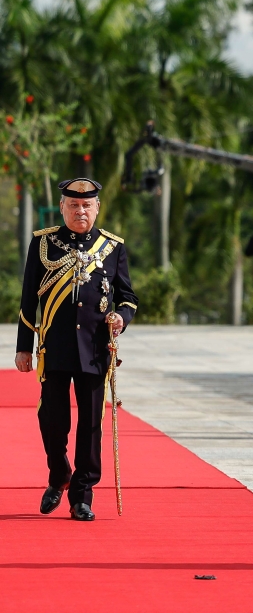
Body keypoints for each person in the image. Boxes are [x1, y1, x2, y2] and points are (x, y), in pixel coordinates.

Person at [14, 177, 139, 521]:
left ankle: (82, 495)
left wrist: (120, 317)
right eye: (73, 205)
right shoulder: (44, 243)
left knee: (90, 425)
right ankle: (59, 474)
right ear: (62, 207)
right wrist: (23, 347)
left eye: (86, 205)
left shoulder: (112, 247)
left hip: (96, 348)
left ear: (97, 207)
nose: (80, 210)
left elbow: (128, 298)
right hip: (54, 347)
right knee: (52, 419)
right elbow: (28, 299)